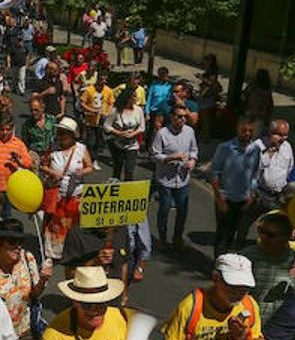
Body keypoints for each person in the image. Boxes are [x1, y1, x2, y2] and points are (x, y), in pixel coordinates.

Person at [0, 218, 46, 340]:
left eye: (21, 241)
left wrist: (43, 279)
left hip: (24, 332)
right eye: (12, 241)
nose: (18, 246)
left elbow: (35, 293)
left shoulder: (27, 258)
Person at [42, 117, 93, 263]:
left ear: (72, 135)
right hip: (57, 194)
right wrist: (53, 172)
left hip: (75, 195)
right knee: (55, 225)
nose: (61, 136)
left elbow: (89, 166)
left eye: (64, 133)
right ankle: (52, 254)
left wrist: (82, 172)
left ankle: (71, 251)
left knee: (73, 225)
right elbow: (43, 166)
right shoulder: (53, 147)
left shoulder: (81, 149)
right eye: (60, 132)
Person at [243, 211, 295, 323]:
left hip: (281, 325)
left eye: (271, 235)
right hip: (251, 321)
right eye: (261, 231)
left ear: (286, 237)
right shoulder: (245, 257)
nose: (264, 237)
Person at [209, 118, 260, 256]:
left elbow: (255, 173)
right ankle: (217, 267)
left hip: (243, 200)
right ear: (238, 130)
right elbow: (214, 174)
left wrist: (251, 195)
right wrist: (220, 199)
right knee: (222, 236)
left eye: (250, 131)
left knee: (233, 234)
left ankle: (226, 266)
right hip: (226, 199)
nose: (247, 134)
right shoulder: (225, 148)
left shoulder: (255, 150)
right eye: (244, 131)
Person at [150, 106, 198, 249]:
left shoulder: (190, 132)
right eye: (179, 116)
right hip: (166, 179)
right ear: (171, 117)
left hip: (183, 179)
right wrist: (170, 158)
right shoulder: (162, 134)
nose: (182, 119)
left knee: (182, 211)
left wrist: (192, 161)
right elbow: (154, 155)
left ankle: (177, 238)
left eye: (184, 116)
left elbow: (193, 150)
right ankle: (162, 238)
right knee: (164, 210)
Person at [104, 88, 145, 181]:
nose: (136, 98)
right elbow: (106, 125)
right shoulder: (115, 111)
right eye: (134, 96)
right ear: (128, 98)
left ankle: (128, 191)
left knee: (129, 170)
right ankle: (116, 189)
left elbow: (142, 127)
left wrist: (133, 134)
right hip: (117, 145)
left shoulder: (138, 110)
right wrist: (118, 133)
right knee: (117, 168)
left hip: (132, 145)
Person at [78, 72, 114, 158]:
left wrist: (108, 112)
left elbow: (111, 103)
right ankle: (89, 157)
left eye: (105, 79)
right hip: (90, 120)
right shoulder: (89, 90)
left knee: (99, 141)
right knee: (91, 142)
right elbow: (82, 103)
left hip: (102, 120)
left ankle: (94, 158)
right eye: (102, 79)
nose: (104, 81)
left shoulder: (108, 90)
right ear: (97, 80)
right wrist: (93, 110)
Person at [22, 98, 58, 168]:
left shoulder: (52, 120)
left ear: (42, 108)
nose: (34, 113)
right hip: (34, 153)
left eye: (36, 110)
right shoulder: (27, 124)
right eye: (31, 110)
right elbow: (25, 142)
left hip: (49, 152)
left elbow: (56, 137)